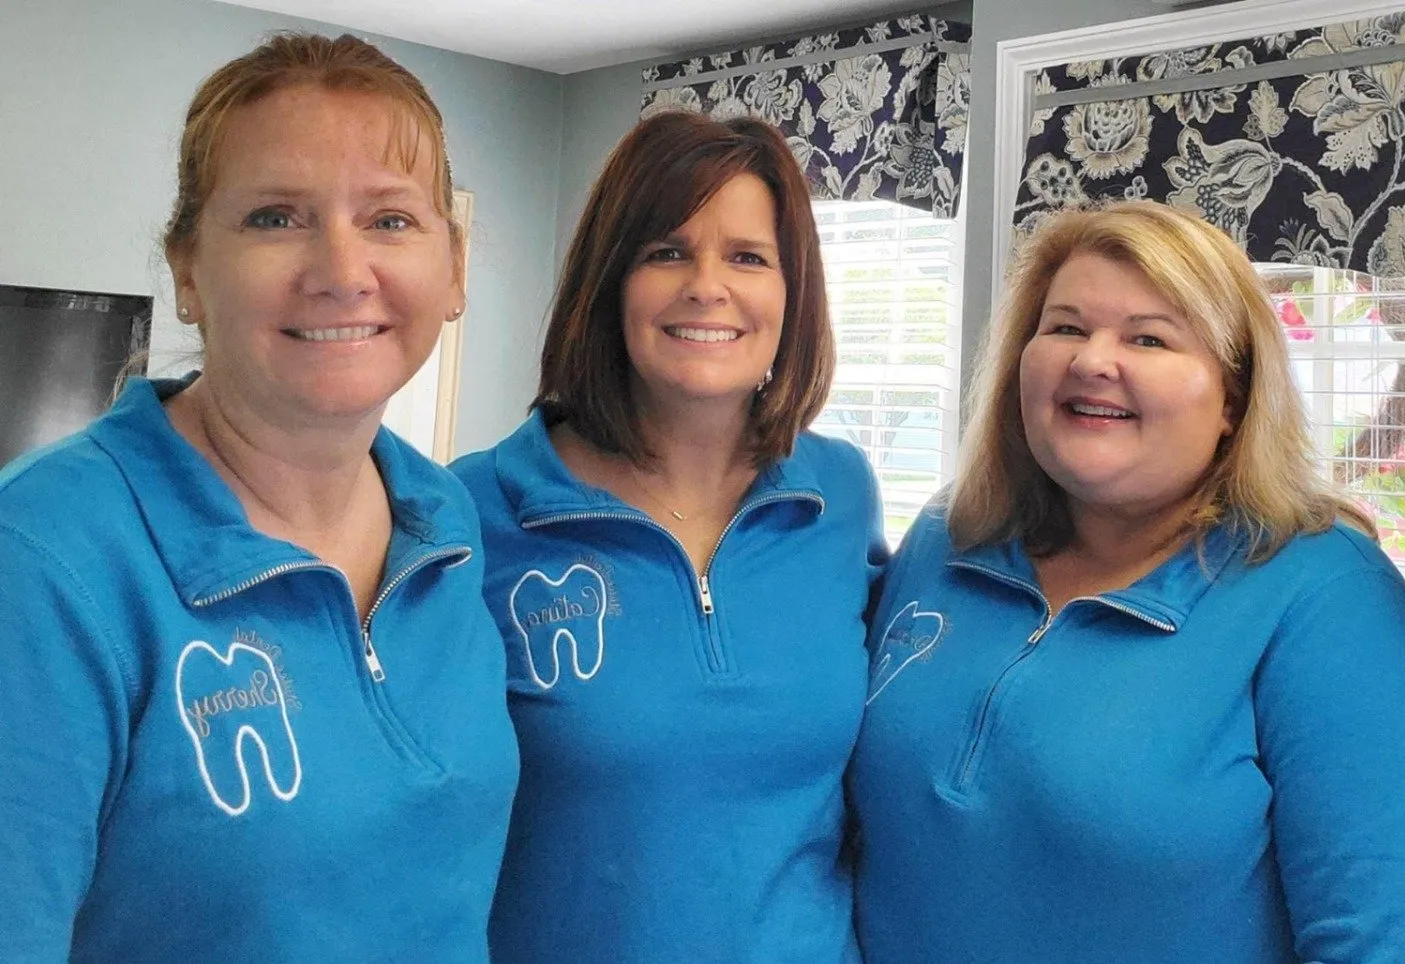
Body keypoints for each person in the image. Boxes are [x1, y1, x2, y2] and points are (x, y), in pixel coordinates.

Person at [850, 201, 1405, 963]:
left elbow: (1403, 943)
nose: (1092, 360)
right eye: (1063, 327)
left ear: (1233, 397)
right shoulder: (946, 539)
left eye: (1148, 338)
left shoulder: (1326, 597)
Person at [0, 33, 519, 961]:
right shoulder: (42, 561)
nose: (341, 267)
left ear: (456, 268)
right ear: (189, 270)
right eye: (277, 217)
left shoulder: (445, 522)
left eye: (391, 220)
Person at [452, 110, 885, 962]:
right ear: (609, 281)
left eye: (748, 257)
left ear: (792, 293)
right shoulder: (470, 512)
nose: (707, 285)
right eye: (667, 251)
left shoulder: (840, 496)